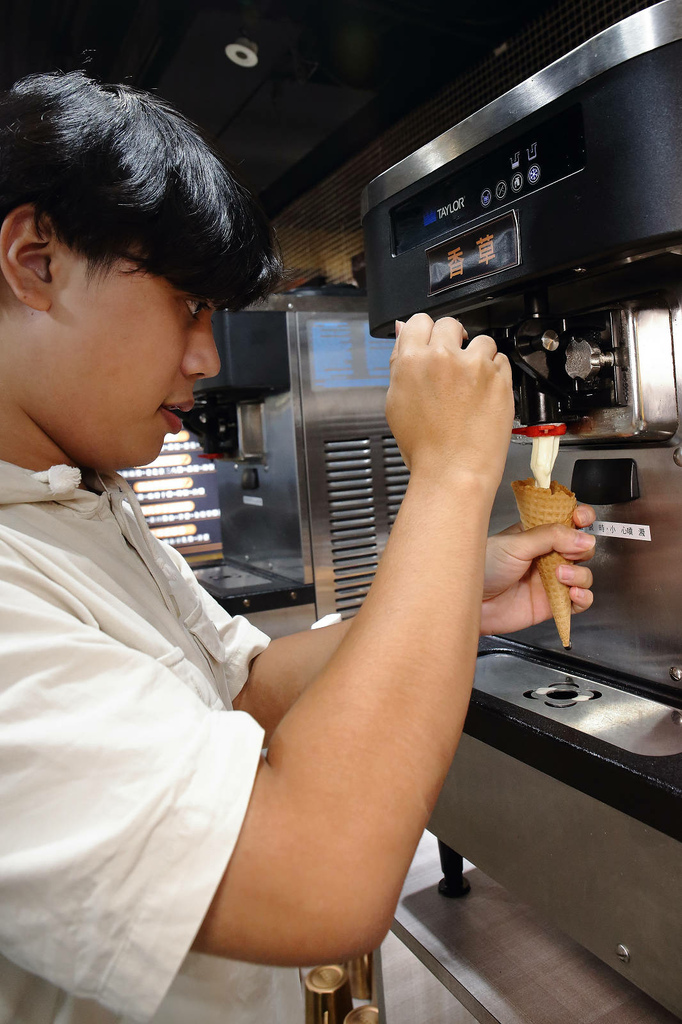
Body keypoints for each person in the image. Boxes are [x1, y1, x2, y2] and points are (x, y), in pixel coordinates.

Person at [0, 71, 596, 1024]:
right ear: (36, 261)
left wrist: (451, 593)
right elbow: (320, 877)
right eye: (188, 304)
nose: (204, 358)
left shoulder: (81, 502)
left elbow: (250, 687)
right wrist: (448, 479)